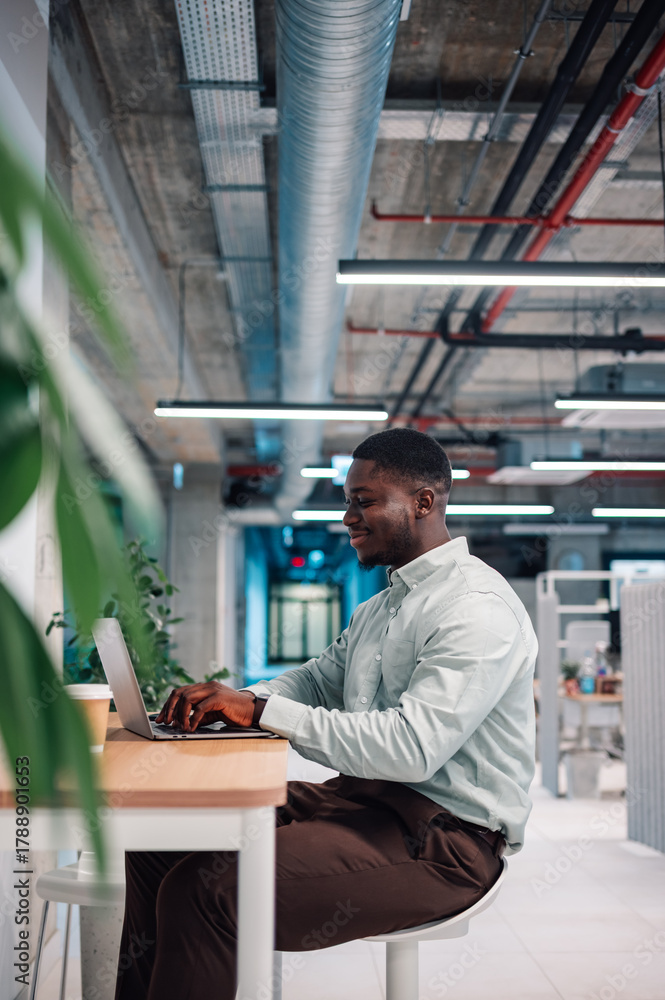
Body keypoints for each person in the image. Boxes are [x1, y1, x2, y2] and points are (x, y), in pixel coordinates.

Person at [115, 427, 537, 1000]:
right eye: (347, 502)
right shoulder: (381, 607)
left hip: (444, 840)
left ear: (424, 502)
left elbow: (410, 748)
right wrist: (237, 704)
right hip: (361, 800)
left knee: (206, 890)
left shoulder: (476, 609)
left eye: (364, 502)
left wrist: (264, 711)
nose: (348, 517)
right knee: (159, 840)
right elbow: (317, 679)